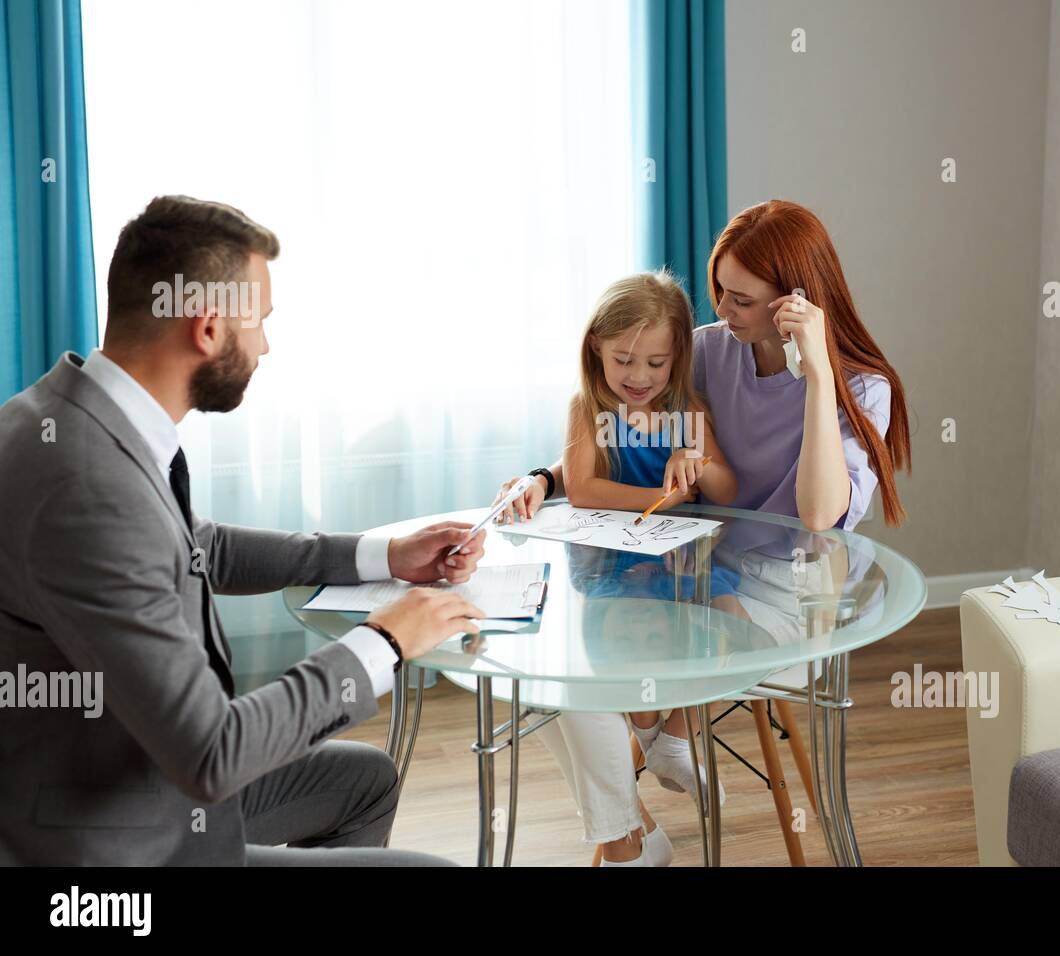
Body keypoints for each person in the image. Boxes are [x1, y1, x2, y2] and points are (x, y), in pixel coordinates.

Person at [0, 196, 486, 865]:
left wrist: (387, 555)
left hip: (139, 782)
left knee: (363, 780)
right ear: (205, 328)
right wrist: (385, 641)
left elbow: (199, 548)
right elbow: (213, 753)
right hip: (116, 848)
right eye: (258, 321)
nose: (264, 343)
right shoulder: (86, 486)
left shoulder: (74, 416)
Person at [495, 200, 912, 860]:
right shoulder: (715, 350)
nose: (721, 309)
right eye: (718, 288)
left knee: (568, 685)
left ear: (793, 302)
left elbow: (817, 514)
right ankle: (631, 831)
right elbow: (621, 417)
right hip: (678, 566)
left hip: (784, 593)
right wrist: (541, 481)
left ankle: (637, 816)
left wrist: (820, 373)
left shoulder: (863, 389)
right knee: (538, 673)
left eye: (740, 298)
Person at [530, 271, 739, 866]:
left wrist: (697, 461)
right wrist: (663, 499)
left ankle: (676, 734)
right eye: (624, 359)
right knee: (628, 655)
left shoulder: (688, 410)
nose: (640, 377)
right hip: (612, 564)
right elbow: (584, 489)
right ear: (596, 346)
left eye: (657, 363)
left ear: (678, 359)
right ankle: (654, 741)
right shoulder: (588, 407)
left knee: (730, 623)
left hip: (684, 560)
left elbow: (728, 487)